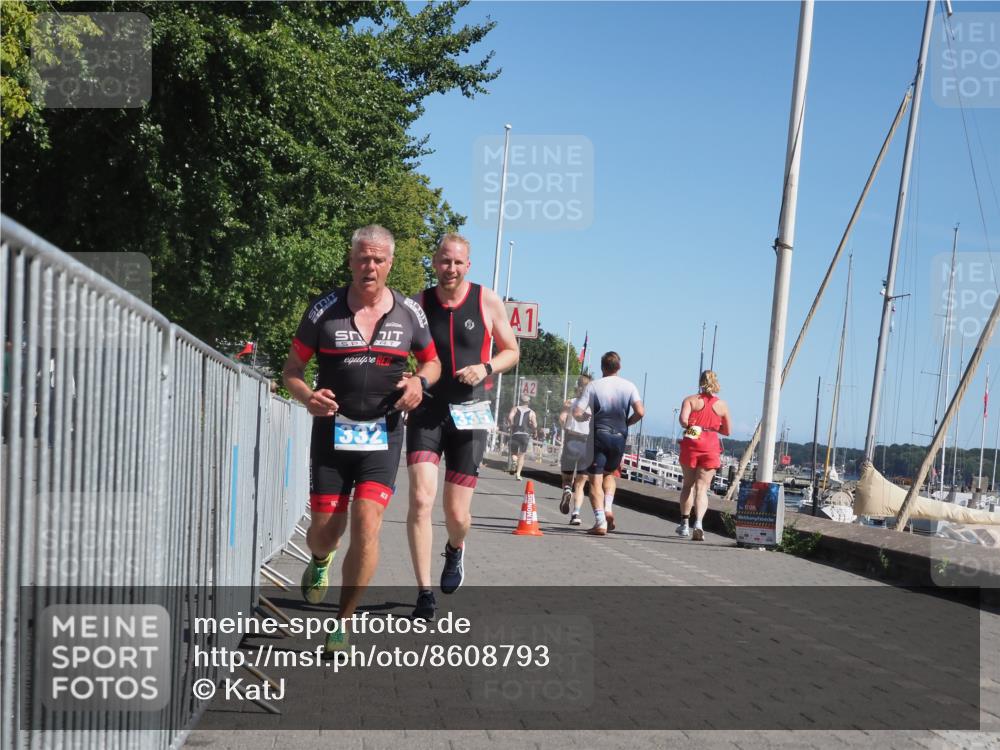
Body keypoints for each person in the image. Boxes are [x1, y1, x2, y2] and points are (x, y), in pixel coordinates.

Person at [282, 225, 441, 652]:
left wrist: (419, 386)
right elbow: (292, 371)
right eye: (362, 259)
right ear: (350, 262)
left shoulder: (409, 312)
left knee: (367, 524)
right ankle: (320, 559)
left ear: (389, 263)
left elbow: (432, 363)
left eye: (378, 260)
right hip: (332, 435)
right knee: (325, 533)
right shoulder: (324, 311)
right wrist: (307, 397)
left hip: (382, 435)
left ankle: (342, 622)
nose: (369, 267)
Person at [406, 233, 519, 619]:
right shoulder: (418, 304)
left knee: (457, 515)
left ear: (467, 265)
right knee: (421, 498)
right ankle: (424, 592)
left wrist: (486, 367)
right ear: (434, 262)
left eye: (457, 262)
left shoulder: (486, 300)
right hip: (428, 410)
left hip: (472, 409)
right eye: (443, 261)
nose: (450, 268)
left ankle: (455, 549)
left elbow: (512, 351)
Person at [573, 352, 644, 535]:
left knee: (595, 480)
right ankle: (608, 507)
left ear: (602, 367)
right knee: (609, 474)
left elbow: (577, 412)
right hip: (620, 435)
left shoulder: (593, 386)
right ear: (619, 367)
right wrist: (627, 422)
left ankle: (600, 521)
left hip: (599, 435)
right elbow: (640, 412)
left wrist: (585, 417)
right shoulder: (629, 386)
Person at [676, 370, 732, 541]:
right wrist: (713, 427)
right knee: (702, 488)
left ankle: (684, 524)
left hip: (692, 444)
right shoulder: (722, 405)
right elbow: (727, 430)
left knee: (688, 486)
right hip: (711, 446)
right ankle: (699, 523)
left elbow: (683, 421)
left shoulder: (690, 400)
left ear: (700, 382)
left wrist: (694, 426)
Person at [558, 374, 593, 525]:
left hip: (571, 440)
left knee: (567, 477)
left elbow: (561, 419)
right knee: (580, 483)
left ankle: (566, 489)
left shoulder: (570, 402)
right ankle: (576, 514)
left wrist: (564, 428)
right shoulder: (593, 405)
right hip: (586, 444)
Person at [508, 395, 537, 481]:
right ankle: (518, 474)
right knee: (522, 455)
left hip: (515, 433)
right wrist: (534, 431)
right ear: (529, 402)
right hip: (525, 435)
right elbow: (535, 425)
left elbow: (510, 417)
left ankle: (514, 460)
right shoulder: (532, 412)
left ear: (520, 401)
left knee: (514, 452)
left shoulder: (515, 409)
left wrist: (511, 425)